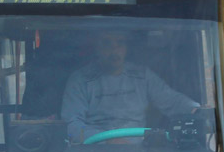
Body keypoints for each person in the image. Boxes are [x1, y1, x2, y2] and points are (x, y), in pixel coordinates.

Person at [60, 30, 199, 143]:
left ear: (127, 48)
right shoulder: (80, 80)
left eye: (120, 43)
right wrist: (108, 141)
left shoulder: (142, 76)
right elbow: (72, 125)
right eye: (107, 43)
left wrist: (197, 110)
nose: (114, 50)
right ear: (97, 48)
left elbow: (172, 100)